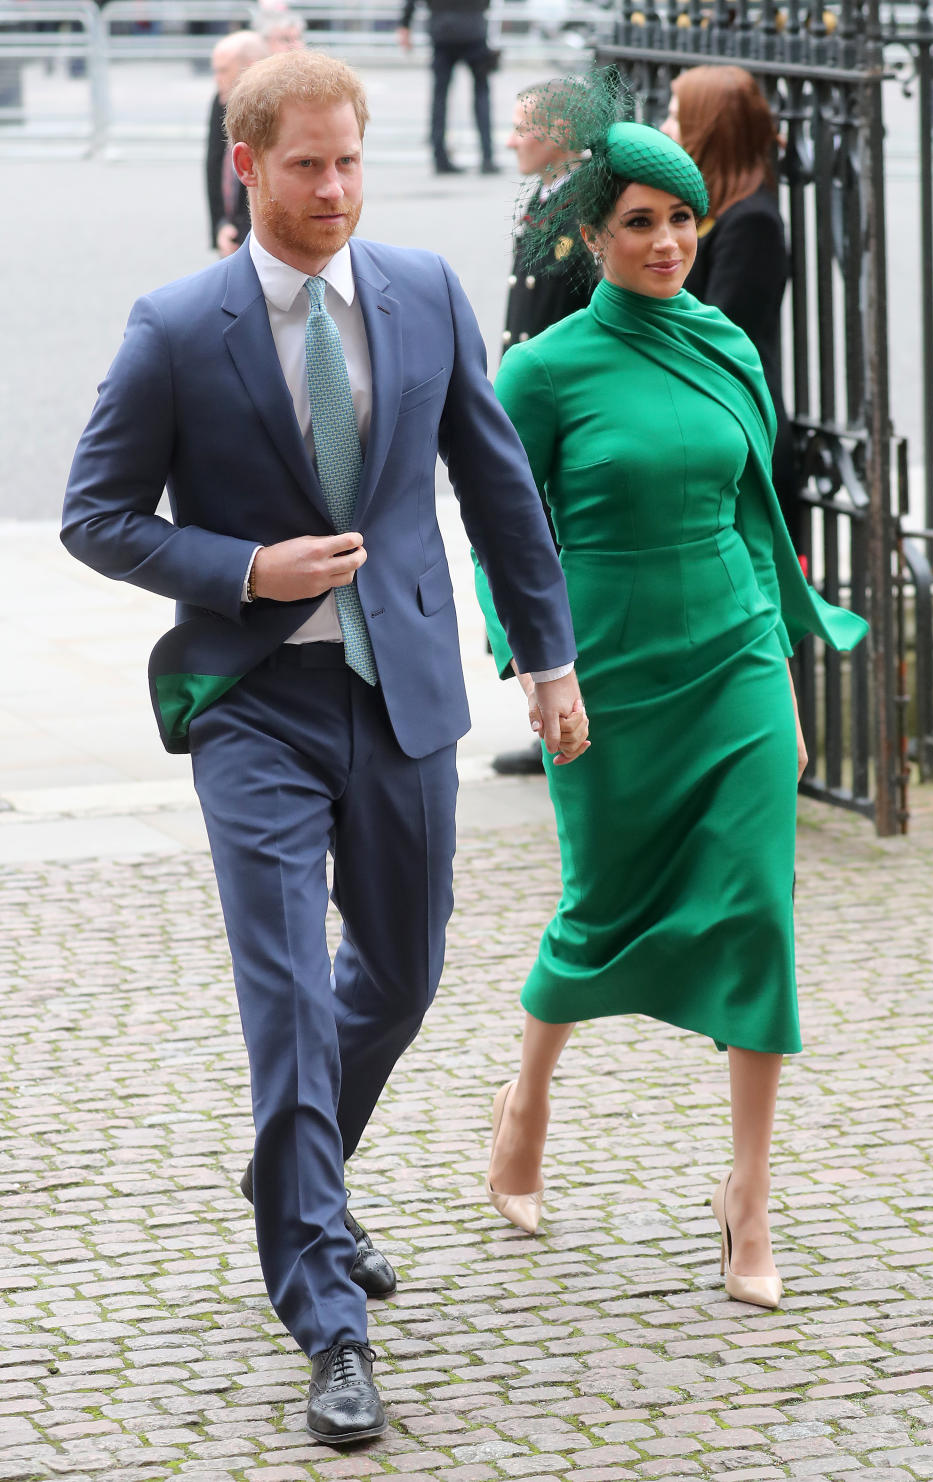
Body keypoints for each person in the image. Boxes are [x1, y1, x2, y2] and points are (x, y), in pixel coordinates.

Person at [61, 50, 588, 1445]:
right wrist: (248, 565)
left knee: (402, 972)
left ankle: (288, 1181)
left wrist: (548, 655)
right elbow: (96, 515)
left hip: (404, 697)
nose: (333, 189)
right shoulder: (177, 325)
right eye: (305, 165)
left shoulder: (421, 293)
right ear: (248, 166)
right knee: (290, 997)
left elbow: (494, 478)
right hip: (256, 708)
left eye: (349, 160)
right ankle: (326, 1312)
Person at [474, 76, 867, 1309]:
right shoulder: (546, 372)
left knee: (758, 911)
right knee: (600, 908)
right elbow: (502, 530)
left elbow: (755, 518)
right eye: (640, 222)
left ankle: (748, 1197)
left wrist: (787, 670)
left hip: (735, 654)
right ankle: (527, 1097)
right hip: (609, 675)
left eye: (682, 221)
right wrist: (535, 669)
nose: (667, 243)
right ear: (591, 236)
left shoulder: (727, 343)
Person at [494, 77, 598, 777]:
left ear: (561, 133)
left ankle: (561, 715)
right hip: (529, 396)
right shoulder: (543, 198)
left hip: (561, 404)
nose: (511, 141)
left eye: (524, 128)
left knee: (547, 556)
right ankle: (547, 711)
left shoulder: (581, 204)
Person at [662, 65, 802, 556]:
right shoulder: (709, 211)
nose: (665, 128)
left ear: (709, 128)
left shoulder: (753, 221)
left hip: (738, 435)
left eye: (677, 117)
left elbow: (719, 337)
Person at [396, 0, 498, 174]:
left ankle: (439, 157)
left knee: (439, 98)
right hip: (473, 29)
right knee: (481, 94)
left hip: (442, 31)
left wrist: (405, 25)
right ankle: (487, 157)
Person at [205, 30, 270, 256]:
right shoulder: (221, 99)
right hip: (233, 230)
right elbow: (213, 166)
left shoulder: (278, 107)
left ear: (249, 67)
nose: (217, 78)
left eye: (223, 70)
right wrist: (220, 225)